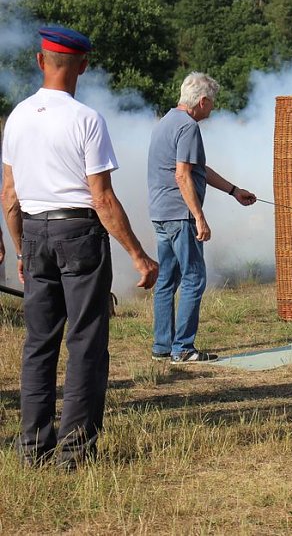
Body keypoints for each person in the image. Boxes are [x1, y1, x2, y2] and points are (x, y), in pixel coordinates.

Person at [1, 25, 159, 470]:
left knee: (38, 344)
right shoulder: (87, 120)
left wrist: (21, 252)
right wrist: (138, 255)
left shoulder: (17, 117)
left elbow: (9, 194)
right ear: (83, 66)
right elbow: (102, 197)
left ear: (39, 61)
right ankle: (72, 453)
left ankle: (32, 448)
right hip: (78, 233)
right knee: (86, 342)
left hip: (33, 232)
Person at [148, 72, 256, 364]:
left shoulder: (166, 122)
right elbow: (182, 175)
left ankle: (162, 346)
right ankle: (183, 348)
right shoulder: (188, 127)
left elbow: (198, 169)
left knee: (167, 280)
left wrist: (233, 190)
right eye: (212, 103)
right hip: (180, 215)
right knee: (195, 277)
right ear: (203, 101)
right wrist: (199, 217)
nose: (213, 109)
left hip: (161, 213)